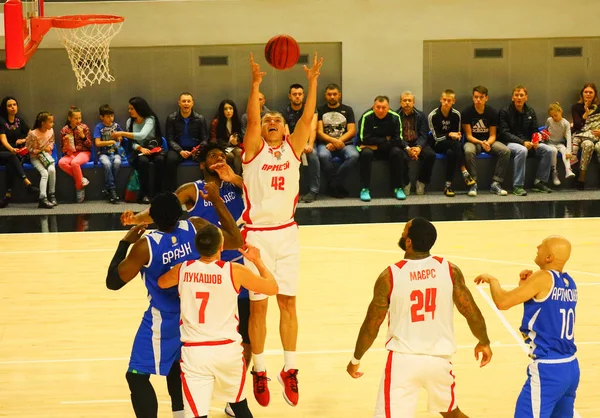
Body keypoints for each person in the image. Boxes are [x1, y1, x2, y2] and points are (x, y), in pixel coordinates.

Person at [121, 143, 249, 418]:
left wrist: (235, 177)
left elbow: (260, 191)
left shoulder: (238, 183)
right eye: (212, 156)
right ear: (202, 164)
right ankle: (212, 397)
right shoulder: (194, 190)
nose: (218, 158)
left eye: (222, 155)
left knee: (242, 332)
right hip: (202, 265)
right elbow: (164, 208)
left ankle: (235, 389)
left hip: (232, 261)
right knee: (207, 335)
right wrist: (137, 219)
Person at [347, 217, 492, 418]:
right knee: (452, 414)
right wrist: (484, 341)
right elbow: (470, 311)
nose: (402, 232)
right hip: (439, 360)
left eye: (404, 230)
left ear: (409, 242)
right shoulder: (449, 270)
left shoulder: (390, 275)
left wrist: (356, 358)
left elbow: (372, 325)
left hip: (403, 361)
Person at [241, 52, 322, 408]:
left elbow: (307, 117)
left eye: (277, 119)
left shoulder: (293, 148)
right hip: (256, 237)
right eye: (267, 118)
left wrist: (313, 81)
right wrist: (256, 85)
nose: (272, 121)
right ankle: (260, 370)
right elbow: (253, 121)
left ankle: (289, 369)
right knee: (259, 309)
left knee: (288, 304)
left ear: (286, 130)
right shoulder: (252, 151)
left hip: (287, 234)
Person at [157, 224, 279, 418]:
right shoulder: (235, 270)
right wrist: (258, 261)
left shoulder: (183, 269)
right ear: (221, 247)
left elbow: (161, 282)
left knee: (197, 414)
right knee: (239, 407)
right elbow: (272, 288)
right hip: (228, 351)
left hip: (195, 352)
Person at [475, 235, 579, 418]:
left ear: (549, 258)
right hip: (570, 367)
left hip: (549, 370)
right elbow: (546, 310)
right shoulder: (569, 283)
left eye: (542, 245)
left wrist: (493, 281)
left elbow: (503, 302)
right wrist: (525, 287)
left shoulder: (543, 277)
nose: (538, 246)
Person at [498, 86, 553, 196]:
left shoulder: (530, 111)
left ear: (526, 97)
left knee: (548, 150)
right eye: (516, 95)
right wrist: (522, 142)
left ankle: (539, 182)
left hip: (529, 142)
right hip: (509, 143)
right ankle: (517, 186)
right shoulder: (505, 111)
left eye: (521, 95)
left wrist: (536, 140)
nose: (519, 98)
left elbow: (534, 130)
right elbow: (505, 133)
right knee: (522, 150)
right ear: (512, 98)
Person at [357, 96, 408, 202]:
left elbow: (398, 140)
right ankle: (364, 188)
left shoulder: (395, 117)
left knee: (397, 152)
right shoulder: (366, 116)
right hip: (369, 149)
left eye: (383, 107)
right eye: (378, 107)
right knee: (366, 154)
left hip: (385, 148)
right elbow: (364, 139)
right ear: (373, 107)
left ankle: (397, 187)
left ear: (388, 108)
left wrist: (377, 145)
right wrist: (385, 138)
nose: (380, 110)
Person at [462, 86, 510, 196]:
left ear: (486, 98)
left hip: (489, 141)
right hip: (474, 142)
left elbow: (493, 134)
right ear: (473, 98)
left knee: (505, 151)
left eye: (481, 97)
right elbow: (468, 135)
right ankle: (472, 183)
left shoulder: (492, 112)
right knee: (468, 151)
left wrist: (488, 143)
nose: (478, 99)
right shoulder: (467, 112)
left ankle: (496, 183)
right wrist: (481, 143)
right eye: (476, 97)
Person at [116, 96, 165, 204]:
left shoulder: (150, 119)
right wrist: (140, 148)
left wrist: (122, 133)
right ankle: (144, 194)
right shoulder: (130, 122)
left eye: (132, 108)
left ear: (139, 108)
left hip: (153, 148)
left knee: (160, 160)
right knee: (143, 162)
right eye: (129, 109)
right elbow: (132, 142)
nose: (129, 111)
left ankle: (159, 193)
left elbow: (142, 135)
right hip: (139, 150)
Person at [428, 89, 475, 197]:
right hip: (437, 144)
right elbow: (435, 137)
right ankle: (465, 172)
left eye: (449, 100)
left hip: (452, 145)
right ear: (441, 100)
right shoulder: (433, 115)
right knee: (455, 146)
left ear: (453, 101)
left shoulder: (456, 115)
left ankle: (448, 186)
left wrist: (453, 136)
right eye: (444, 100)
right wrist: (449, 134)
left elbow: (458, 135)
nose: (446, 102)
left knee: (451, 153)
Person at [316, 83, 358, 198]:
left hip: (345, 143)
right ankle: (337, 186)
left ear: (339, 95)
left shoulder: (347, 110)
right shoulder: (320, 109)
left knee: (354, 156)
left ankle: (333, 184)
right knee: (323, 156)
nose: (332, 97)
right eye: (329, 94)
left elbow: (352, 131)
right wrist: (333, 142)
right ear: (325, 95)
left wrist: (338, 141)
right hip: (325, 143)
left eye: (335, 94)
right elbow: (319, 132)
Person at [282, 83, 319, 203]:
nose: (297, 96)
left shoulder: (311, 109)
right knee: (288, 158)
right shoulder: (285, 112)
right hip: (292, 144)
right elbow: (286, 133)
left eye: (300, 94)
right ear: (289, 96)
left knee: (313, 156)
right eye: (294, 94)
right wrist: (296, 147)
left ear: (303, 96)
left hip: (308, 143)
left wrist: (309, 144)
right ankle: (292, 192)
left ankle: (313, 191)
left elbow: (313, 128)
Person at [165, 92, 209, 191]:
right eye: (183, 101)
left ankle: (206, 188)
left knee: (207, 158)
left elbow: (205, 139)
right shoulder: (171, 118)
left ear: (192, 103)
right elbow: (170, 139)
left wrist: (195, 150)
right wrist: (180, 151)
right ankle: (172, 192)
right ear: (179, 103)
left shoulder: (200, 119)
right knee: (170, 159)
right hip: (178, 149)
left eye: (188, 101)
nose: (186, 104)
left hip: (195, 148)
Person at [0, 96, 39, 208]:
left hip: (11, 154)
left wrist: (23, 140)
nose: (13, 107)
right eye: (9, 105)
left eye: (14, 105)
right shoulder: (1, 121)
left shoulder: (19, 120)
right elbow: (3, 140)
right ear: (5, 108)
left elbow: (31, 134)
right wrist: (12, 149)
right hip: (3, 151)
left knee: (11, 163)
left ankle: (7, 196)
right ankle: (27, 184)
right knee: (12, 157)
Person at [396, 91, 435, 196]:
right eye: (405, 100)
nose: (407, 103)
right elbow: (397, 136)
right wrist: (407, 148)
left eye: (410, 100)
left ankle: (421, 182)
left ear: (413, 102)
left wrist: (418, 147)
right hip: (403, 145)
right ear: (400, 102)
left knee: (430, 155)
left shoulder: (421, 116)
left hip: (418, 143)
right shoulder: (395, 116)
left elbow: (424, 134)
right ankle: (406, 183)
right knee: (400, 156)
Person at [58, 106, 92, 203]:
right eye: (76, 118)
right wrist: (67, 150)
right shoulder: (64, 130)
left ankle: (79, 188)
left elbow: (90, 145)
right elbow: (62, 147)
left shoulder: (84, 128)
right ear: (70, 118)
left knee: (74, 163)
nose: (78, 120)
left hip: (84, 152)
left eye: (79, 118)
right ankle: (81, 179)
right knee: (61, 162)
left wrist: (83, 136)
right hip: (71, 154)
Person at [26, 111, 56, 209]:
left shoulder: (51, 131)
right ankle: (42, 198)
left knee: (51, 170)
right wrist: (38, 151)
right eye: (50, 122)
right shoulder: (33, 134)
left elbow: (52, 141)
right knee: (44, 173)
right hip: (36, 157)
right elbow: (29, 148)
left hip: (46, 155)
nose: (52, 124)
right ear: (43, 123)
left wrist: (49, 148)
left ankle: (52, 194)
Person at [93, 104, 123, 204]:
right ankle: (113, 189)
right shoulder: (99, 127)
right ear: (102, 117)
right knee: (107, 164)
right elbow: (97, 143)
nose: (111, 118)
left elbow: (121, 138)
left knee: (117, 162)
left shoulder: (116, 126)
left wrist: (119, 138)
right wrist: (111, 141)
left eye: (112, 116)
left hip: (115, 152)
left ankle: (109, 188)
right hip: (103, 153)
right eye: (108, 116)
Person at [545, 102, 575, 185]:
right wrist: (545, 136)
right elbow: (545, 130)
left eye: (556, 115)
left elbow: (569, 138)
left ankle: (568, 169)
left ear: (560, 112)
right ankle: (554, 173)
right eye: (552, 116)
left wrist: (569, 151)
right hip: (550, 143)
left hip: (560, 143)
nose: (554, 118)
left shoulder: (566, 123)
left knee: (564, 150)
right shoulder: (549, 120)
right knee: (553, 151)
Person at [210, 99, 244, 175]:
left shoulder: (236, 120)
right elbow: (213, 139)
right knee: (230, 156)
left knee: (240, 152)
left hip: (233, 146)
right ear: (222, 111)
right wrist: (228, 142)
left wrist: (236, 141)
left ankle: (237, 176)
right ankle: (229, 177)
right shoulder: (216, 122)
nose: (228, 111)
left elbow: (241, 136)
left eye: (230, 108)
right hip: (221, 147)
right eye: (225, 109)